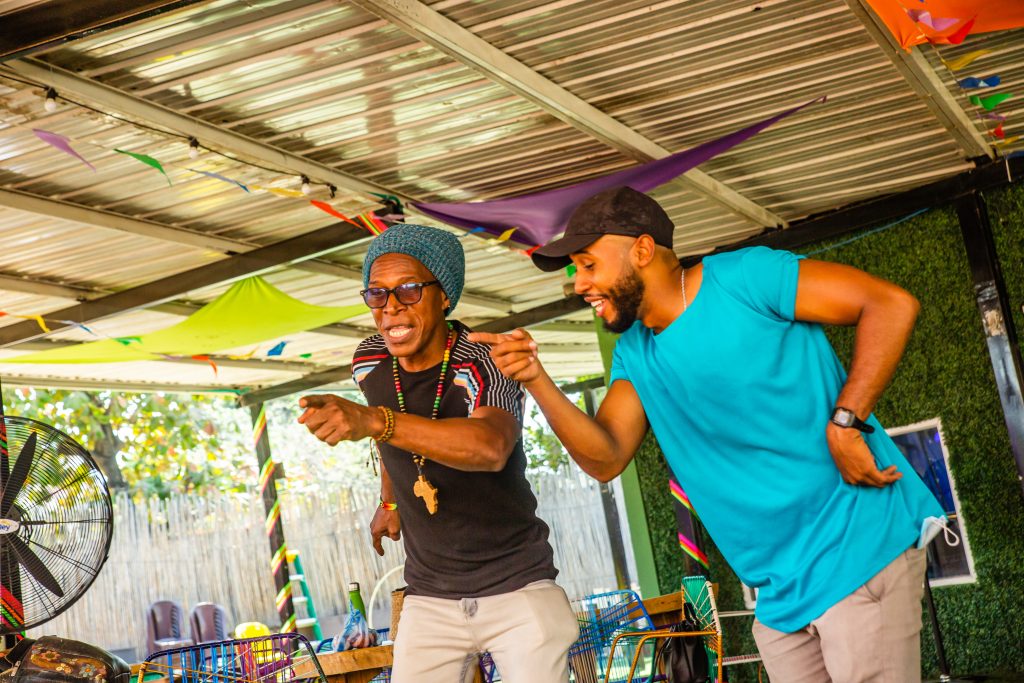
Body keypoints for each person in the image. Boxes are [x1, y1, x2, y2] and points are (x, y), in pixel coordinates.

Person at [470, 186, 945, 683]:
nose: (579, 283)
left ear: (643, 249)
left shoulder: (745, 278)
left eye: (588, 264)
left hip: (854, 548)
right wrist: (535, 380)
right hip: (779, 591)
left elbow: (889, 303)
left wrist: (847, 420)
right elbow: (606, 456)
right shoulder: (634, 350)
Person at [297, 223, 578, 683]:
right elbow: (390, 434)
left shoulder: (485, 358)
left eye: (408, 290)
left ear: (444, 295)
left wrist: (374, 421)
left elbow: (489, 449)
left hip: (517, 589)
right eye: (377, 294)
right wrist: (389, 500)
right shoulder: (369, 360)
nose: (390, 308)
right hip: (429, 596)